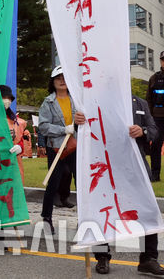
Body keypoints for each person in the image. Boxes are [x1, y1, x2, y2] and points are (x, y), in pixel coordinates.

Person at [91, 95, 164, 276]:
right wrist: (78, 123)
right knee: (103, 210)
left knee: (148, 210)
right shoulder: (97, 101)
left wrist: (143, 131)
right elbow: (87, 130)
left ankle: (149, 259)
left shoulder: (140, 103)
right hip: (106, 167)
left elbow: (154, 130)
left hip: (135, 167)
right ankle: (102, 256)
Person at [39, 66, 85, 233]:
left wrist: (78, 125)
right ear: (53, 81)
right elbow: (43, 126)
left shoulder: (78, 100)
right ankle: (46, 218)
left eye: (65, 77)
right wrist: (63, 129)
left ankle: (85, 220)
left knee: (80, 183)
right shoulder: (48, 102)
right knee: (53, 182)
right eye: (58, 78)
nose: (62, 80)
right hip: (57, 147)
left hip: (76, 146)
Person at [0, 85, 28, 183]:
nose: (7, 101)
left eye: (9, 98)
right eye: (4, 98)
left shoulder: (17, 122)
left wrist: (20, 147)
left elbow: (21, 140)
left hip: (12, 163)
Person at [146, 51, 164, 182]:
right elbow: (149, 99)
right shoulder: (154, 78)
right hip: (157, 117)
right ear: (161, 61)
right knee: (156, 145)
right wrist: (150, 117)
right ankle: (155, 175)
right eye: (163, 60)